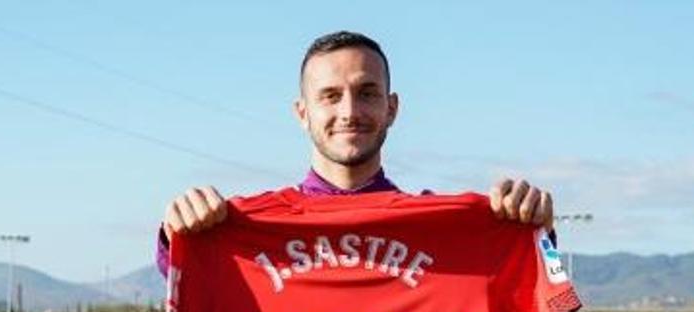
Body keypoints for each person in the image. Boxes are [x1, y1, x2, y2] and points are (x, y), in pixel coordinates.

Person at [156, 30, 556, 276]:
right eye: (330, 97)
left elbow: (534, 289)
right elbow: (180, 274)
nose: (349, 112)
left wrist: (536, 235)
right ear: (302, 113)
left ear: (392, 108)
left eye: (367, 94)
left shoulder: (446, 230)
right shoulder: (243, 228)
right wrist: (177, 235)